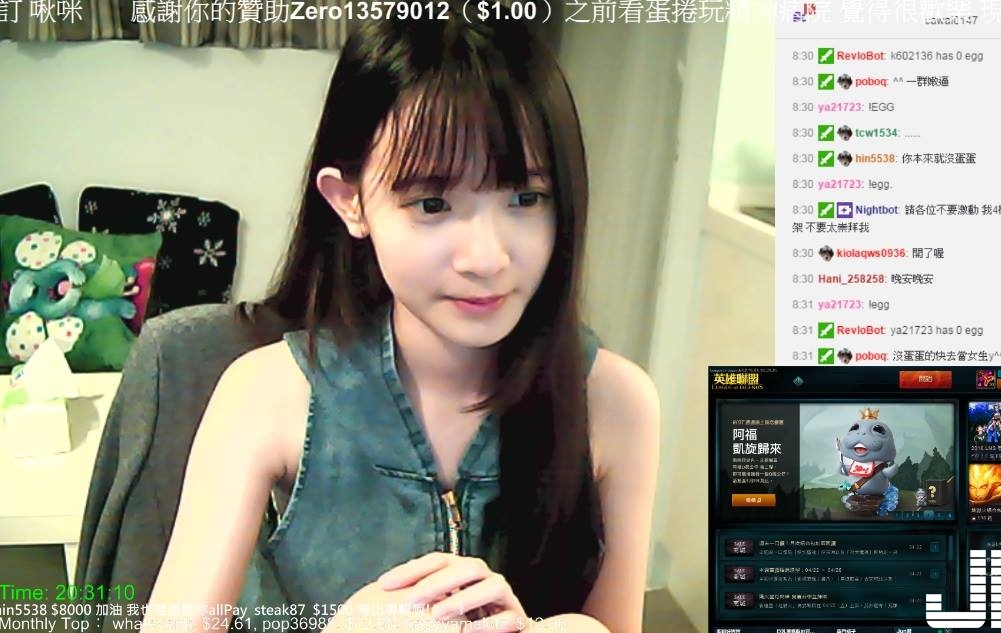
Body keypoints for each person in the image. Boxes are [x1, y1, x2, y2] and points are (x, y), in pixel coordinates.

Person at [142, 15, 660, 633]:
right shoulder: (267, 395)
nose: (486, 259)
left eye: (526, 198)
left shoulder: (615, 402)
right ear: (350, 202)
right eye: (432, 204)